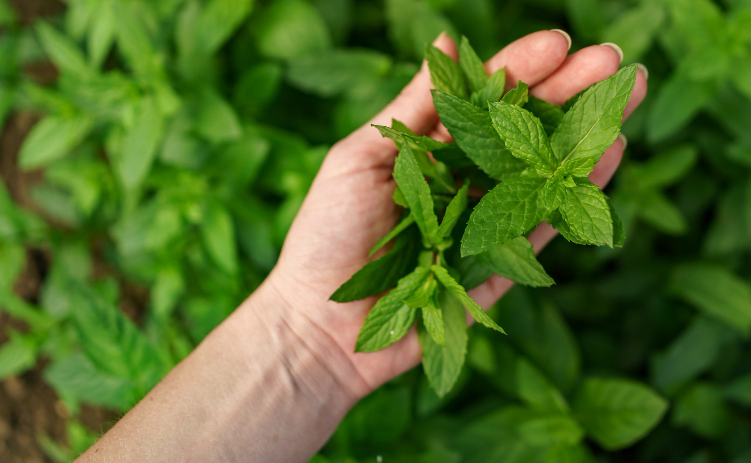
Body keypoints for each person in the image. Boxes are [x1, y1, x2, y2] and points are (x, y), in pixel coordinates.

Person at [77, 30, 648, 462]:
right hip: (482, 199)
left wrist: (297, 339)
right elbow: (480, 216)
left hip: (519, 176)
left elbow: (493, 209)